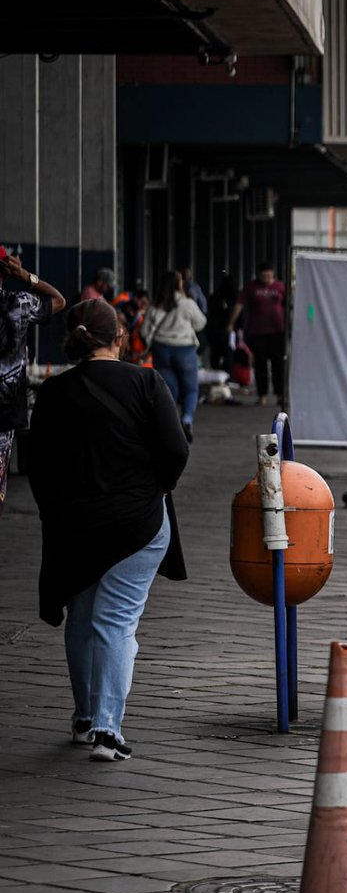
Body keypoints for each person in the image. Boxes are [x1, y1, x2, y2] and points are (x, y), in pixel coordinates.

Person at [28, 298, 189, 762]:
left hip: (73, 526)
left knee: (81, 618)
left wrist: (56, 511)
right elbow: (176, 450)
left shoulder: (55, 392)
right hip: (135, 525)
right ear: (119, 338)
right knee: (116, 621)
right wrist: (153, 489)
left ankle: (82, 719)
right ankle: (106, 730)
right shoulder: (146, 382)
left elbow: (39, 465)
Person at [0, 250, 66, 517]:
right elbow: (58, 300)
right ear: (6, 270)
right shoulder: (20, 303)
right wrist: (26, 276)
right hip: (4, 406)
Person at [146, 270, 207, 442]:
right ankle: (186, 420)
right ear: (178, 284)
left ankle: (170, 426)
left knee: (168, 391)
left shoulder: (154, 305)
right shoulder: (187, 304)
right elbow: (201, 323)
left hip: (161, 349)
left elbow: (145, 332)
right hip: (184, 349)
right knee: (191, 390)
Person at [229, 261, 289, 405]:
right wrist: (231, 322)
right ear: (258, 275)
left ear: (273, 274)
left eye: (269, 276)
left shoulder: (280, 287)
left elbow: (288, 306)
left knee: (278, 364)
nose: (266, 279)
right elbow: (239, 304)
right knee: (260, 364)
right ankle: (262, 395)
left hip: (277, 331)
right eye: (263, 276)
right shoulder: (251, 287)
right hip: (257, 331)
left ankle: (280, 394)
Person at [204, 272, 237, 371]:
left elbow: (209, 311)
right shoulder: (234, 297)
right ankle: (227, 374)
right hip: (228, 330)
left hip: (214, 330)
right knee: (229, 353)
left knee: (215, 353)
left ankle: (216, 374)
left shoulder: (215, 296)